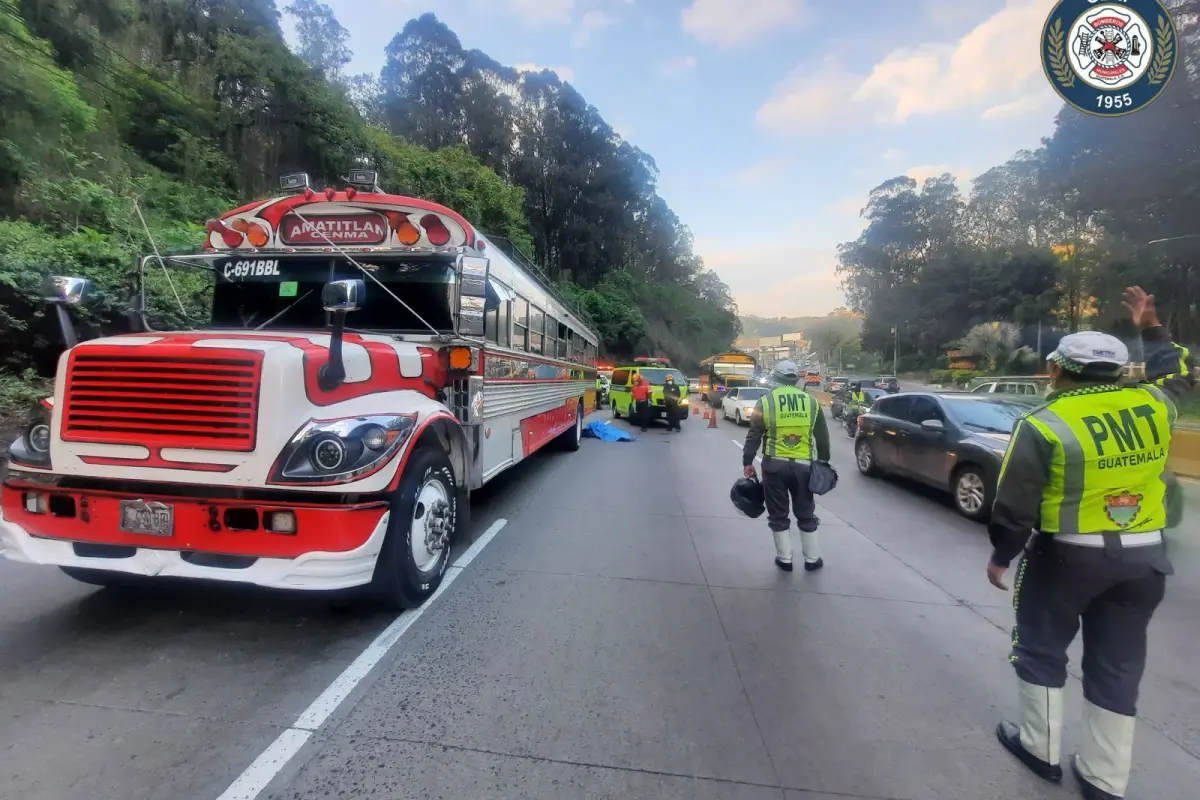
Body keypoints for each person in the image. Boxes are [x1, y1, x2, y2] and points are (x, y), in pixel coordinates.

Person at [988, 286, 1196, 800]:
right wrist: (1152, 329)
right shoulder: (1155, 404)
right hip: (1145, 559)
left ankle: (1040, 749)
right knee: (1118, 664)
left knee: (1040, 650)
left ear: (1058, 370)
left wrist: (1002, 555)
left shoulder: (1044, 422)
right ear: (1119, 371)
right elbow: (1179, 377)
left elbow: (1014, 505)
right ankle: (1105, 778)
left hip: (1067, 559)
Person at [742, 360, 832, 572]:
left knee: (778, 513)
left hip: (774, 466)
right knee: (805, 511)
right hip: (803, 467)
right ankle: (812, 559)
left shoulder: (766, 402)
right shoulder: (811, 402)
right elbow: (823, 438)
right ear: (796, 379)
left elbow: (754, 435)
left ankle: (785, 559)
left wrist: (747, 461)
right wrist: (823, 462)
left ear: (775, 378)